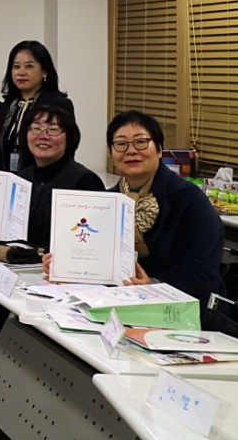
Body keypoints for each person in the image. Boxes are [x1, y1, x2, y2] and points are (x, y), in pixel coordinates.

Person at [43, 111, 226, 305]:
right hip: (114, 302)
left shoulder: (189, 200)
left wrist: (152, 286)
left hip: (178, 308)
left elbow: (202, 272)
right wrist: (63, 265)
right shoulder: (106, 202)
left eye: (141, 142)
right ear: (111, 153)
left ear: (159, 149)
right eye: (121, 144)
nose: (131, 151)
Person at [14, 104, 103, 249]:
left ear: (69, 137)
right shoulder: (21, 178)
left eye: (53, 130)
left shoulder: (85, 181)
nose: (43, 136)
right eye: (36, 128)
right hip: (19, 257)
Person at [0, 41, 74, 172]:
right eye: (16, 67)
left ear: (44, 71)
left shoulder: (59, 106)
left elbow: (68, 147)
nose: (21, 72)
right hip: (7, 178)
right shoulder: (5, 108)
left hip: (45, 178)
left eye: (29, 66)